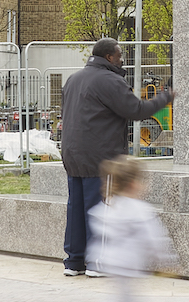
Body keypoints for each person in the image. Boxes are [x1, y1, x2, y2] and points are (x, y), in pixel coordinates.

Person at [59, 39, 174, 277]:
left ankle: (74, 262)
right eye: (120, 55)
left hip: (73, 153)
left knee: (77, 208)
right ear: (110, 57)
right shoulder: (110, 81)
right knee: (99, 207)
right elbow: (136, 111)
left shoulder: (74, 79)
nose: (122, 60)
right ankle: (97, 263)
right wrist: (165, 98)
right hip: (100, 156)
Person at [77, 157, 178, 302]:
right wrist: (167, 261)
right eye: (143, 180)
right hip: (127, 266)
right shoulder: (139, 209)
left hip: (112, 264)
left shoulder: (110, 205)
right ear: (133, 183)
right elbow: (155, 238)